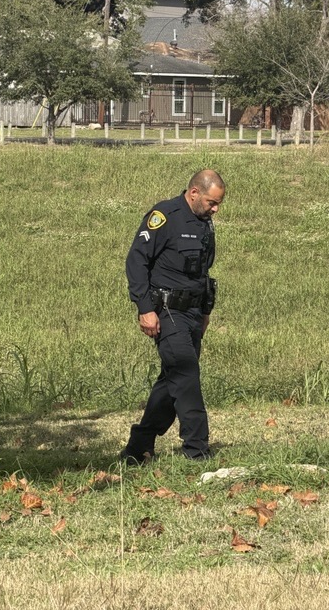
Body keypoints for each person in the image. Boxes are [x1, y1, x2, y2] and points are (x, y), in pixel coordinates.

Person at [120, 169, 225, 465]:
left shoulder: (205, 223)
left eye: (218, 204)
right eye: (210, 202)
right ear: (193, 193)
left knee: (172, 380)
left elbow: (201, 273)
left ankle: (138, 447)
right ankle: (197, 449)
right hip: (166, 311)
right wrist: (144, 308)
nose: (215, 209)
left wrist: (205, 311)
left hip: (192, 313)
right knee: (186, 374)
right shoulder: (164, 216)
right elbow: (136, 261)